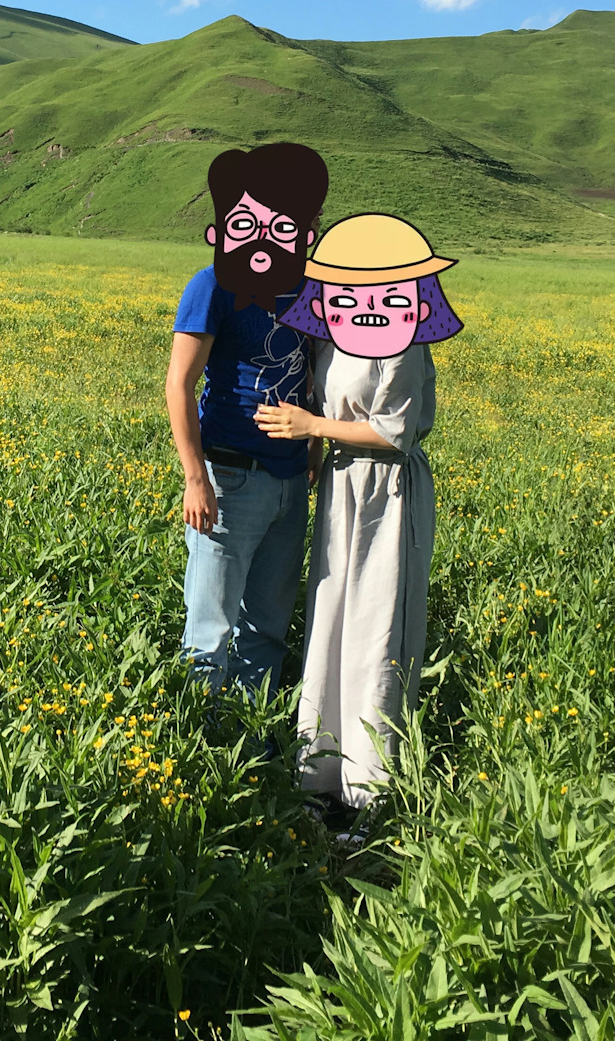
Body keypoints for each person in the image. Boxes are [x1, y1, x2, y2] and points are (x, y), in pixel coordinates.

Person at [255, 213, 463, 818]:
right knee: (332, 617)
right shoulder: (336, 332)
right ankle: (318, 777)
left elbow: (394, 432)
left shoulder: (402, 340)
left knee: (377, 627)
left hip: (386, 489)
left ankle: (369, 793)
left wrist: (311, 427)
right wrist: (319, 445)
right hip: (344, 485)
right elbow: (327, 397)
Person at [167, 142, 330, 696]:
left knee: (266, 627)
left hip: (290, 481)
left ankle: (249, 741)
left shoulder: (311, 286)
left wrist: (311, 447)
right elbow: (179, 384)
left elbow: (309, 368)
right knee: (209, 628)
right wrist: (196, 478)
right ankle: (202, 748)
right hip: (230, 478)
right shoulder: (212, 284)